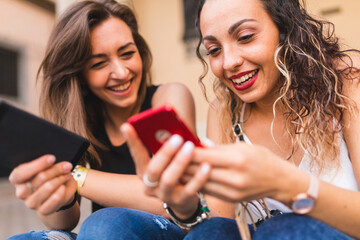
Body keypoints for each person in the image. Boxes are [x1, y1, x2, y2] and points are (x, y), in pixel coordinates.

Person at [116, 0, 360, 239]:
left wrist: (286, 183)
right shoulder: (223, 112)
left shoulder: (346, 80)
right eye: (214, 50)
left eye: (245, 37)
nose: (229, 62)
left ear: (286, 29)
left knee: (283, 228)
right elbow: (220, 221)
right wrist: (185, 206)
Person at [7, 0, 196, 239]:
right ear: (79, 75)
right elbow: (64, 223)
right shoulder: (80, 123)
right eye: (99, 63)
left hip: (167, 231)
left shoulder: (168, 97)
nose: (121, 72)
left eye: (127, 54)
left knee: (103, 222)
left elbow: (173, 196)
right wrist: (55, 193)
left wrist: (73, 175)